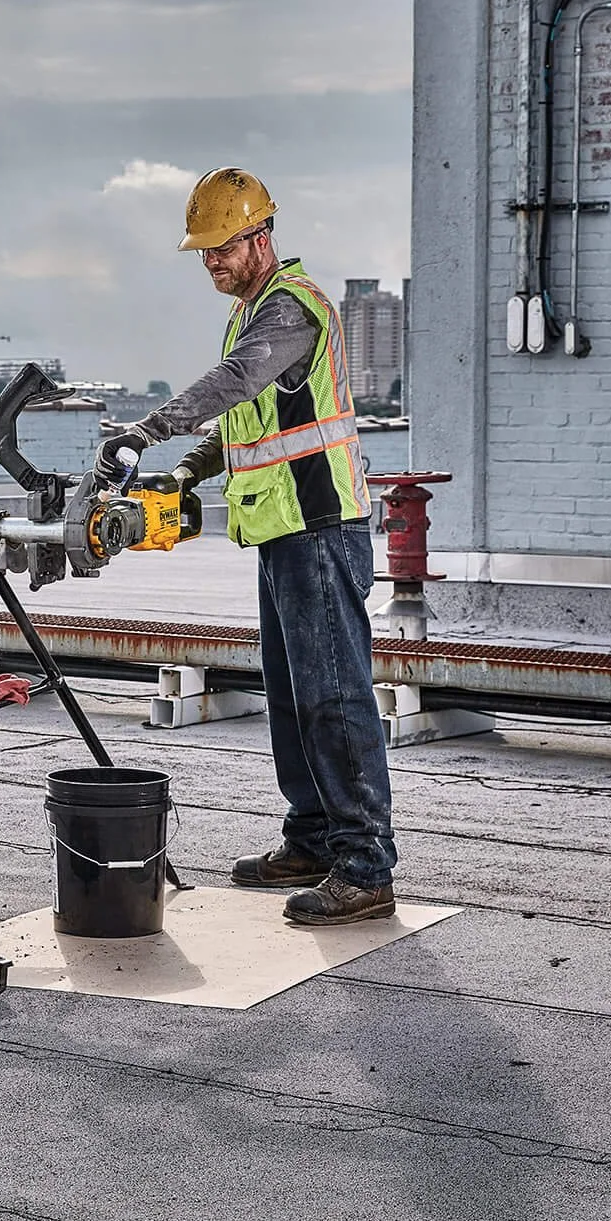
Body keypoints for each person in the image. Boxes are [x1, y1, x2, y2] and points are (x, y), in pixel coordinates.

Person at [96, 167, 398, 924]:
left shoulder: (290, 308)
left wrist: (148, 428)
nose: (210, 262)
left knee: (334, 696)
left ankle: (365, 866)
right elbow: (242, 421)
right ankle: (314, 839)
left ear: (260, 238)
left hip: (319, 528)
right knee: (293, 696)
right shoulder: (251, 313)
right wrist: (185, 470)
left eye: (221, 247)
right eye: (203, 251)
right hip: (279, 532)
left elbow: (236, 381)